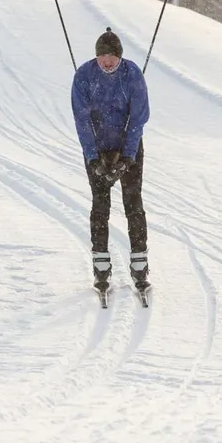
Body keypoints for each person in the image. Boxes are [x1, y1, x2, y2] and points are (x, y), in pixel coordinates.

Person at [71, 27, 150, 294]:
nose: (106, 62)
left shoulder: (132, 75)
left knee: (133, 203)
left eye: (111, 57)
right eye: (102, 57)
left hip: (128, 146)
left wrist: (127, 157)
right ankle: (101, 268)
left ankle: (140, 266)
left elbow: (138, 118)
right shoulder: (83, 76)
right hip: (98, 147)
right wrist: (94, 159)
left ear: (120, 57)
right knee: (100, 205)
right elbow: (82, 121)